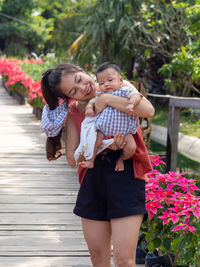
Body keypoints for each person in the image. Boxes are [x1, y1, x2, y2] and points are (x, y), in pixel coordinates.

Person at [41, 63, 154, 267]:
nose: (83, 88)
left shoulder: (119, 87)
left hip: (127, 175)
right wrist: (101, 145)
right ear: (70, 98)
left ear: (82, 71)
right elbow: (72, 159)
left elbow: (148, 110)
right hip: (94, 180)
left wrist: (106, 99)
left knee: (124, 260)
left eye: (79, 79)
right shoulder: (75, 110)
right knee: (98, 256)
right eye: (74, 91)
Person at [75, 62, 143, 171]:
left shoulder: (125, 91)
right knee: (95, 143)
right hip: (103, 128)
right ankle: (91, 160)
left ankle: (121, 159)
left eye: (110, 80)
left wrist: (131, 103)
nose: (106, 84)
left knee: (131, 148)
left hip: (125, 131)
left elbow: (137, 95)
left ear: (120, 80)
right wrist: (89, 109)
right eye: (102, 83)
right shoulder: (99, 94)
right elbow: (91, 103)